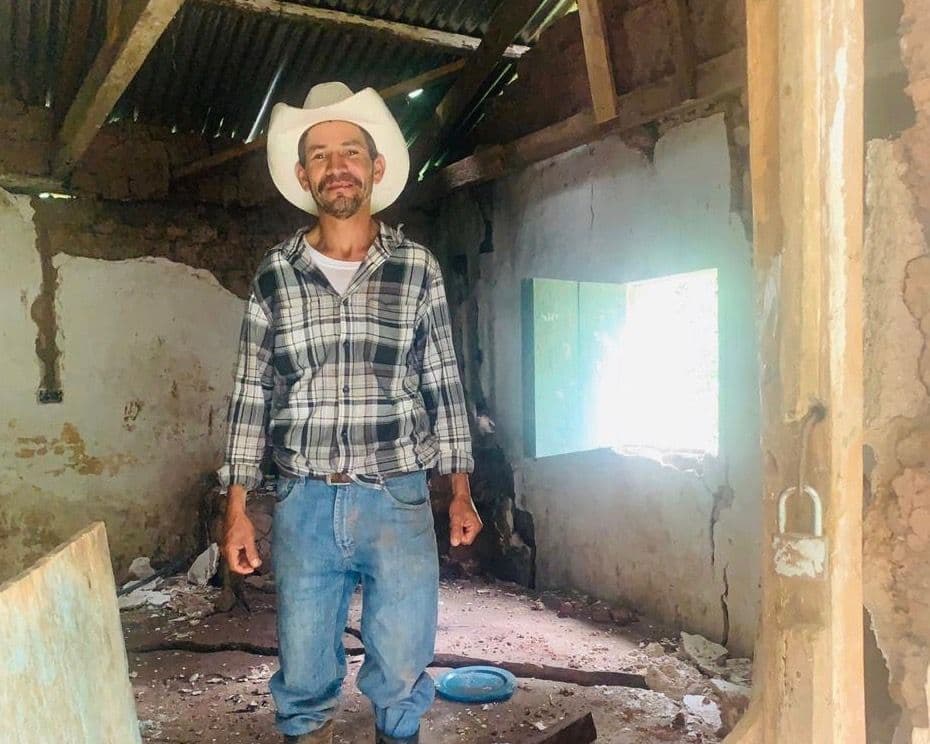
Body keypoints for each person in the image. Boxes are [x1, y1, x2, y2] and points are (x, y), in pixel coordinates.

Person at [220, 82, 483, 744]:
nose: (338, 166)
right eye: (321, 154)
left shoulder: (417, 269)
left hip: (397, 501)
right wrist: (237, 509)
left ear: (377, 167)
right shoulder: (274, 276)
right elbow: (253, 390)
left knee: (400, 670)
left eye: (351, 151)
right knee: (304, 673)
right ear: (304, 174)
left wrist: (460, 492)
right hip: (304, 503)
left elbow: (442, 381)